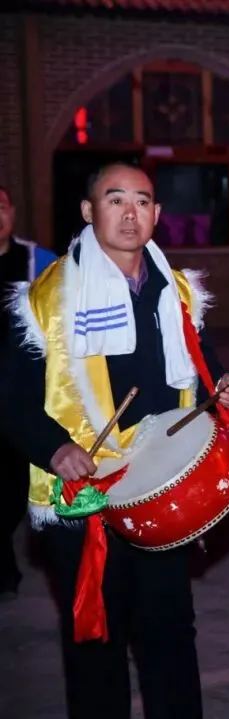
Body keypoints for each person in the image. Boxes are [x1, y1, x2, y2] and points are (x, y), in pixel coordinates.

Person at [0, 162, 229, 719]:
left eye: (142, 201)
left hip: (159, 491)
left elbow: (203, 367)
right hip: (81, 495)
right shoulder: (47, 298)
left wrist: (226, 387)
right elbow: (12, 398)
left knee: (170, 634)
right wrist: (55, 448)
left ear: (157, 214)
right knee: (96, 642)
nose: (130, 213)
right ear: (88, 211)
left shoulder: (176, 289)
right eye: (115, 200)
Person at [0, 185, 57, 597]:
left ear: (13, 212)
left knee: (16, 483)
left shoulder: (41, 263)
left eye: (0, 206)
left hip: (25, 392)